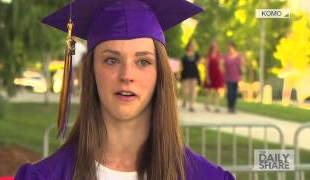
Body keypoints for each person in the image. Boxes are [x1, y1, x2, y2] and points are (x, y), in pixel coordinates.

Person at [15, 0, 235, 179]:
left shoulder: (205, 177)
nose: (127, 75)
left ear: (160, 73)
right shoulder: (45, 176)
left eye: (143, 62)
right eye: (111, 60)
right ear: (91, 71)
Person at [223, 42, 245, 113]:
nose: (229, 49)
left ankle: (233, 107)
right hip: (228, 76)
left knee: (234, 93)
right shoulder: (226, 56)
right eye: (228, 48)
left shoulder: (238, 56)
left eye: (230, 47)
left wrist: (241, 75)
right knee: (229, 92)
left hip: (236, 77)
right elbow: (223, 66)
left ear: (234, 48)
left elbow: (241, 66)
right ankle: (229, 107)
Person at [180, 40, 201, 112]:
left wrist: (198, 62)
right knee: (184, 90)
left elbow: (199, 63)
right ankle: (184, 101)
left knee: (193, 90)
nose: (192, 47)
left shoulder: (197, 55)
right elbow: (181, 65)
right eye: (191, 45)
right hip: (185, 74)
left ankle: (191, 105)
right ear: (188, 46)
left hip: (194, 74)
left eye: (193, 46)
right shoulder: (184, 55)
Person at [204, 41, 224, 112]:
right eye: (214, 46)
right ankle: (207, 105)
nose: (215, 48)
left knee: (217, 91)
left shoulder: (219, 56)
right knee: (208, 91)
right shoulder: (208, 56)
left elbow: (221, 67)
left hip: (217, 75)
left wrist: (222, 75)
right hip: (210, 75)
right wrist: (207, 77)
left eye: (216, 46)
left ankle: (216, 107)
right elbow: (206, 67)